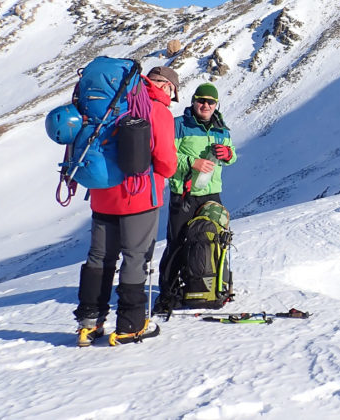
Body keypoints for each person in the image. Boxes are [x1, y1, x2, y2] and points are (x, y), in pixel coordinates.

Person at [74, 65, 179, 345]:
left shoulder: (112, 104)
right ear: (167, 86)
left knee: (99, 258)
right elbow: (167, 164)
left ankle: (88, 324)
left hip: (102, 195)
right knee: (135, 257)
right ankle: (130, 325)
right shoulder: (157, 110)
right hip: (140, 198)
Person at [155, 82, 237, 311]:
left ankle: (217, 285)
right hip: (184, 194)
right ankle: (168, 294)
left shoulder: (222, 129)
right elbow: (166, 157)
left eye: (210, 102)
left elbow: (232, 157)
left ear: (216, 104)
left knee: (216, 240)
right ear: (193, 101)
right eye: (201, 100)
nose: (205, 105)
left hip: (211, 194)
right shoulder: (178, 126)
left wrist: (228, 154)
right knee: (178, 243)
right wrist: (193, 163)